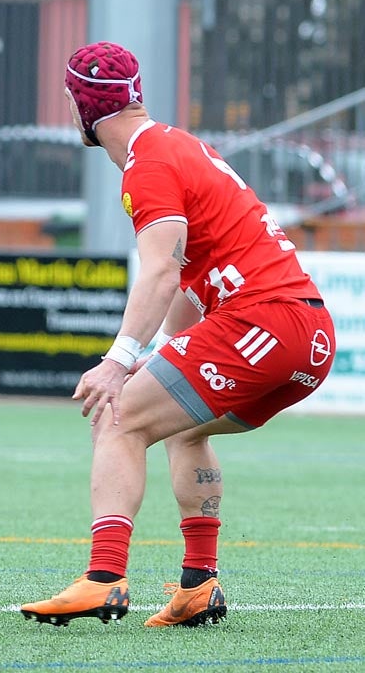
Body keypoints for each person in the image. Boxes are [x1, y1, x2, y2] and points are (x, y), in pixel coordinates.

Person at [20, 41, 336, 628]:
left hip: (260, 321)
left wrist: (119, 360)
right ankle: (198, 585)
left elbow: (162, 269)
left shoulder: (150, 164)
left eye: (70, 100)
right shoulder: (179, 146)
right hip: (308, 337)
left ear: (84, 106)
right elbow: (191, 283)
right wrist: (162, 359)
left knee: (117, 417)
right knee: (180, 428)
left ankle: (104, 578)